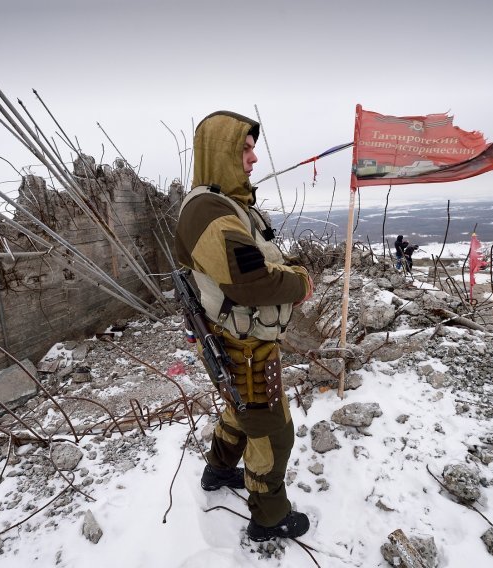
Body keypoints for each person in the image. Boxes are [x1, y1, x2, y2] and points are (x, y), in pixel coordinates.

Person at [174, 111, 313, 542]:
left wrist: (284, 268)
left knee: (239, 411)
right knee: (272, 433)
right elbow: (252, 281)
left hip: (234, 340)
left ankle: (217, 471)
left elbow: (258, 258)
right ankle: (268, 517)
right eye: (244, 149)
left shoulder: (226, 205)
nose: (253, 158)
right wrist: (301, 282)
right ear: (222, 154)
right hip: (242, 345)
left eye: (253, 147)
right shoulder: (209, 212)